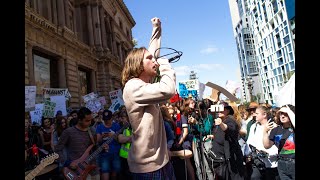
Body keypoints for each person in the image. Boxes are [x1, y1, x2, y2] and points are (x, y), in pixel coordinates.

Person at [121, 17, 176, 179]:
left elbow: (152, 52)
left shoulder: (144, 84)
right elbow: (168, 89)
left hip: (161, 162)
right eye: (149, 59)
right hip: (148, 170)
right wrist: (165, 66)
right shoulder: (133, 86)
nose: (155, 61)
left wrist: (156, 29)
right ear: (138, 64)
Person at [54, 107, 107, 180]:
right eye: (87, 121)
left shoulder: (92, 130)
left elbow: (95, 147)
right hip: (77, 171)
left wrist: (103, 148)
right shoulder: (68, 132)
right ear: (79, 120)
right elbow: (57, 149)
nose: (90, 122)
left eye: (91, 120)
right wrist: (67, 163)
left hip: (93, 169)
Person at [246, 105, 279, 180]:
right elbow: (249, 142)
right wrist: (249, 154)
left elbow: (277, 145)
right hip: (258, 163)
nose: (254, 115)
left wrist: (267, 152)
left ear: (264, 115)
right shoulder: (253, 126)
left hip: (272, 164)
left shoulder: (274, 127)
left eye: (257, 113)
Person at [263, 104, 295, 180]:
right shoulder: (276, 129)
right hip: (281, 164)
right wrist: (265, 132)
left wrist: (289, 112)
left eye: (285, 114)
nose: (282, 116)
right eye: (281, 113)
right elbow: (267, 145)